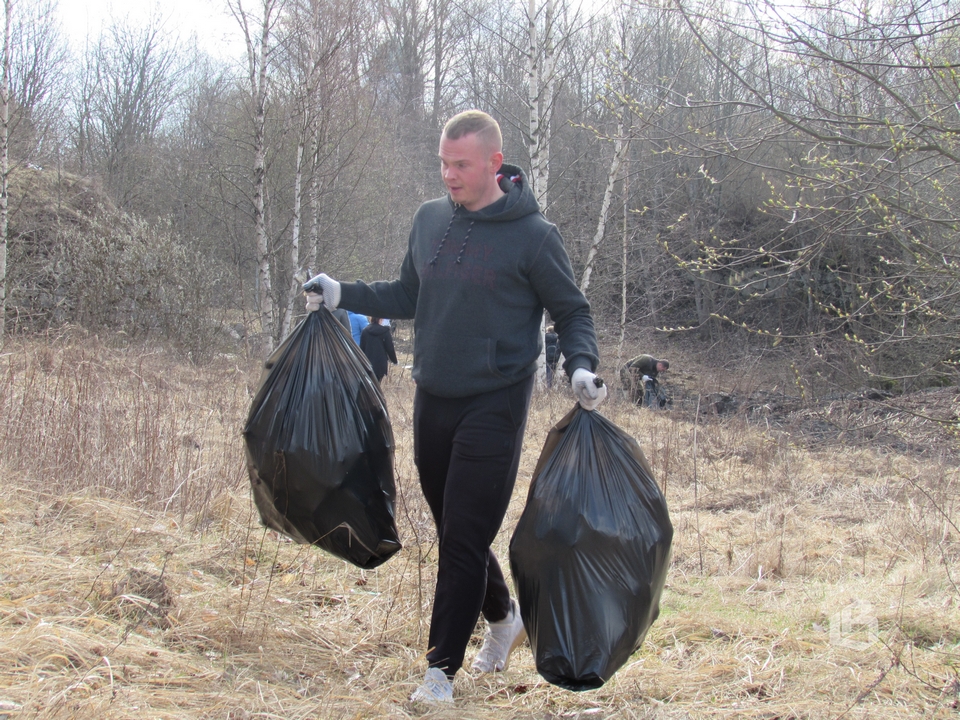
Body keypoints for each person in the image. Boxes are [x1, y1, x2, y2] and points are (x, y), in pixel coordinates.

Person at [303, 109, 606, 704]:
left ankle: (439, 672)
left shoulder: (535, 236)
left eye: (460, 164)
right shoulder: (429, 220)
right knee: (455, 531)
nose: (448, 175)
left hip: (496, 400)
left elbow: (572, 312)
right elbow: (408, 294)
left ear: (495, 164)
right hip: (433, 395)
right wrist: (342, 294)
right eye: (443, 163)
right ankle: (503, 617)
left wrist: (580, 365)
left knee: (464, 537)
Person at [360, 317, 398, 382]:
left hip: (367, 363)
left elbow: (361, 349)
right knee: (377, 384)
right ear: (381, 319)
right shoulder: (385, 332)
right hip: (380, 365)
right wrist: (394, 361)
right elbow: (390, 348)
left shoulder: (365, 331)